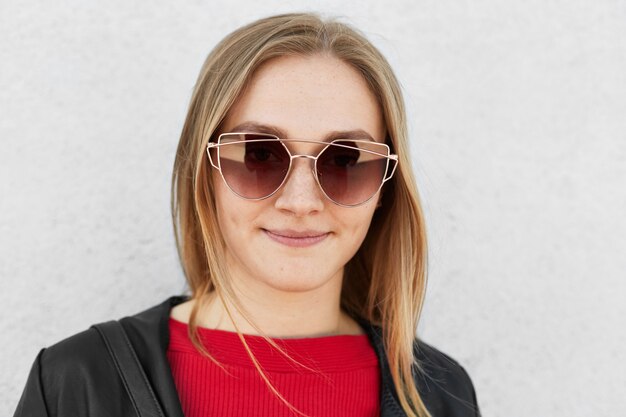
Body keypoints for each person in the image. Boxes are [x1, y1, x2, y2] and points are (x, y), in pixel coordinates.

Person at [13, 12, 480, 417]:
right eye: (259, 155)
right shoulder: (75, 383)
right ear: (204, 172)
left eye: (343, 161)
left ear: (385, 187)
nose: (301, 202)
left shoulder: (441, 395)